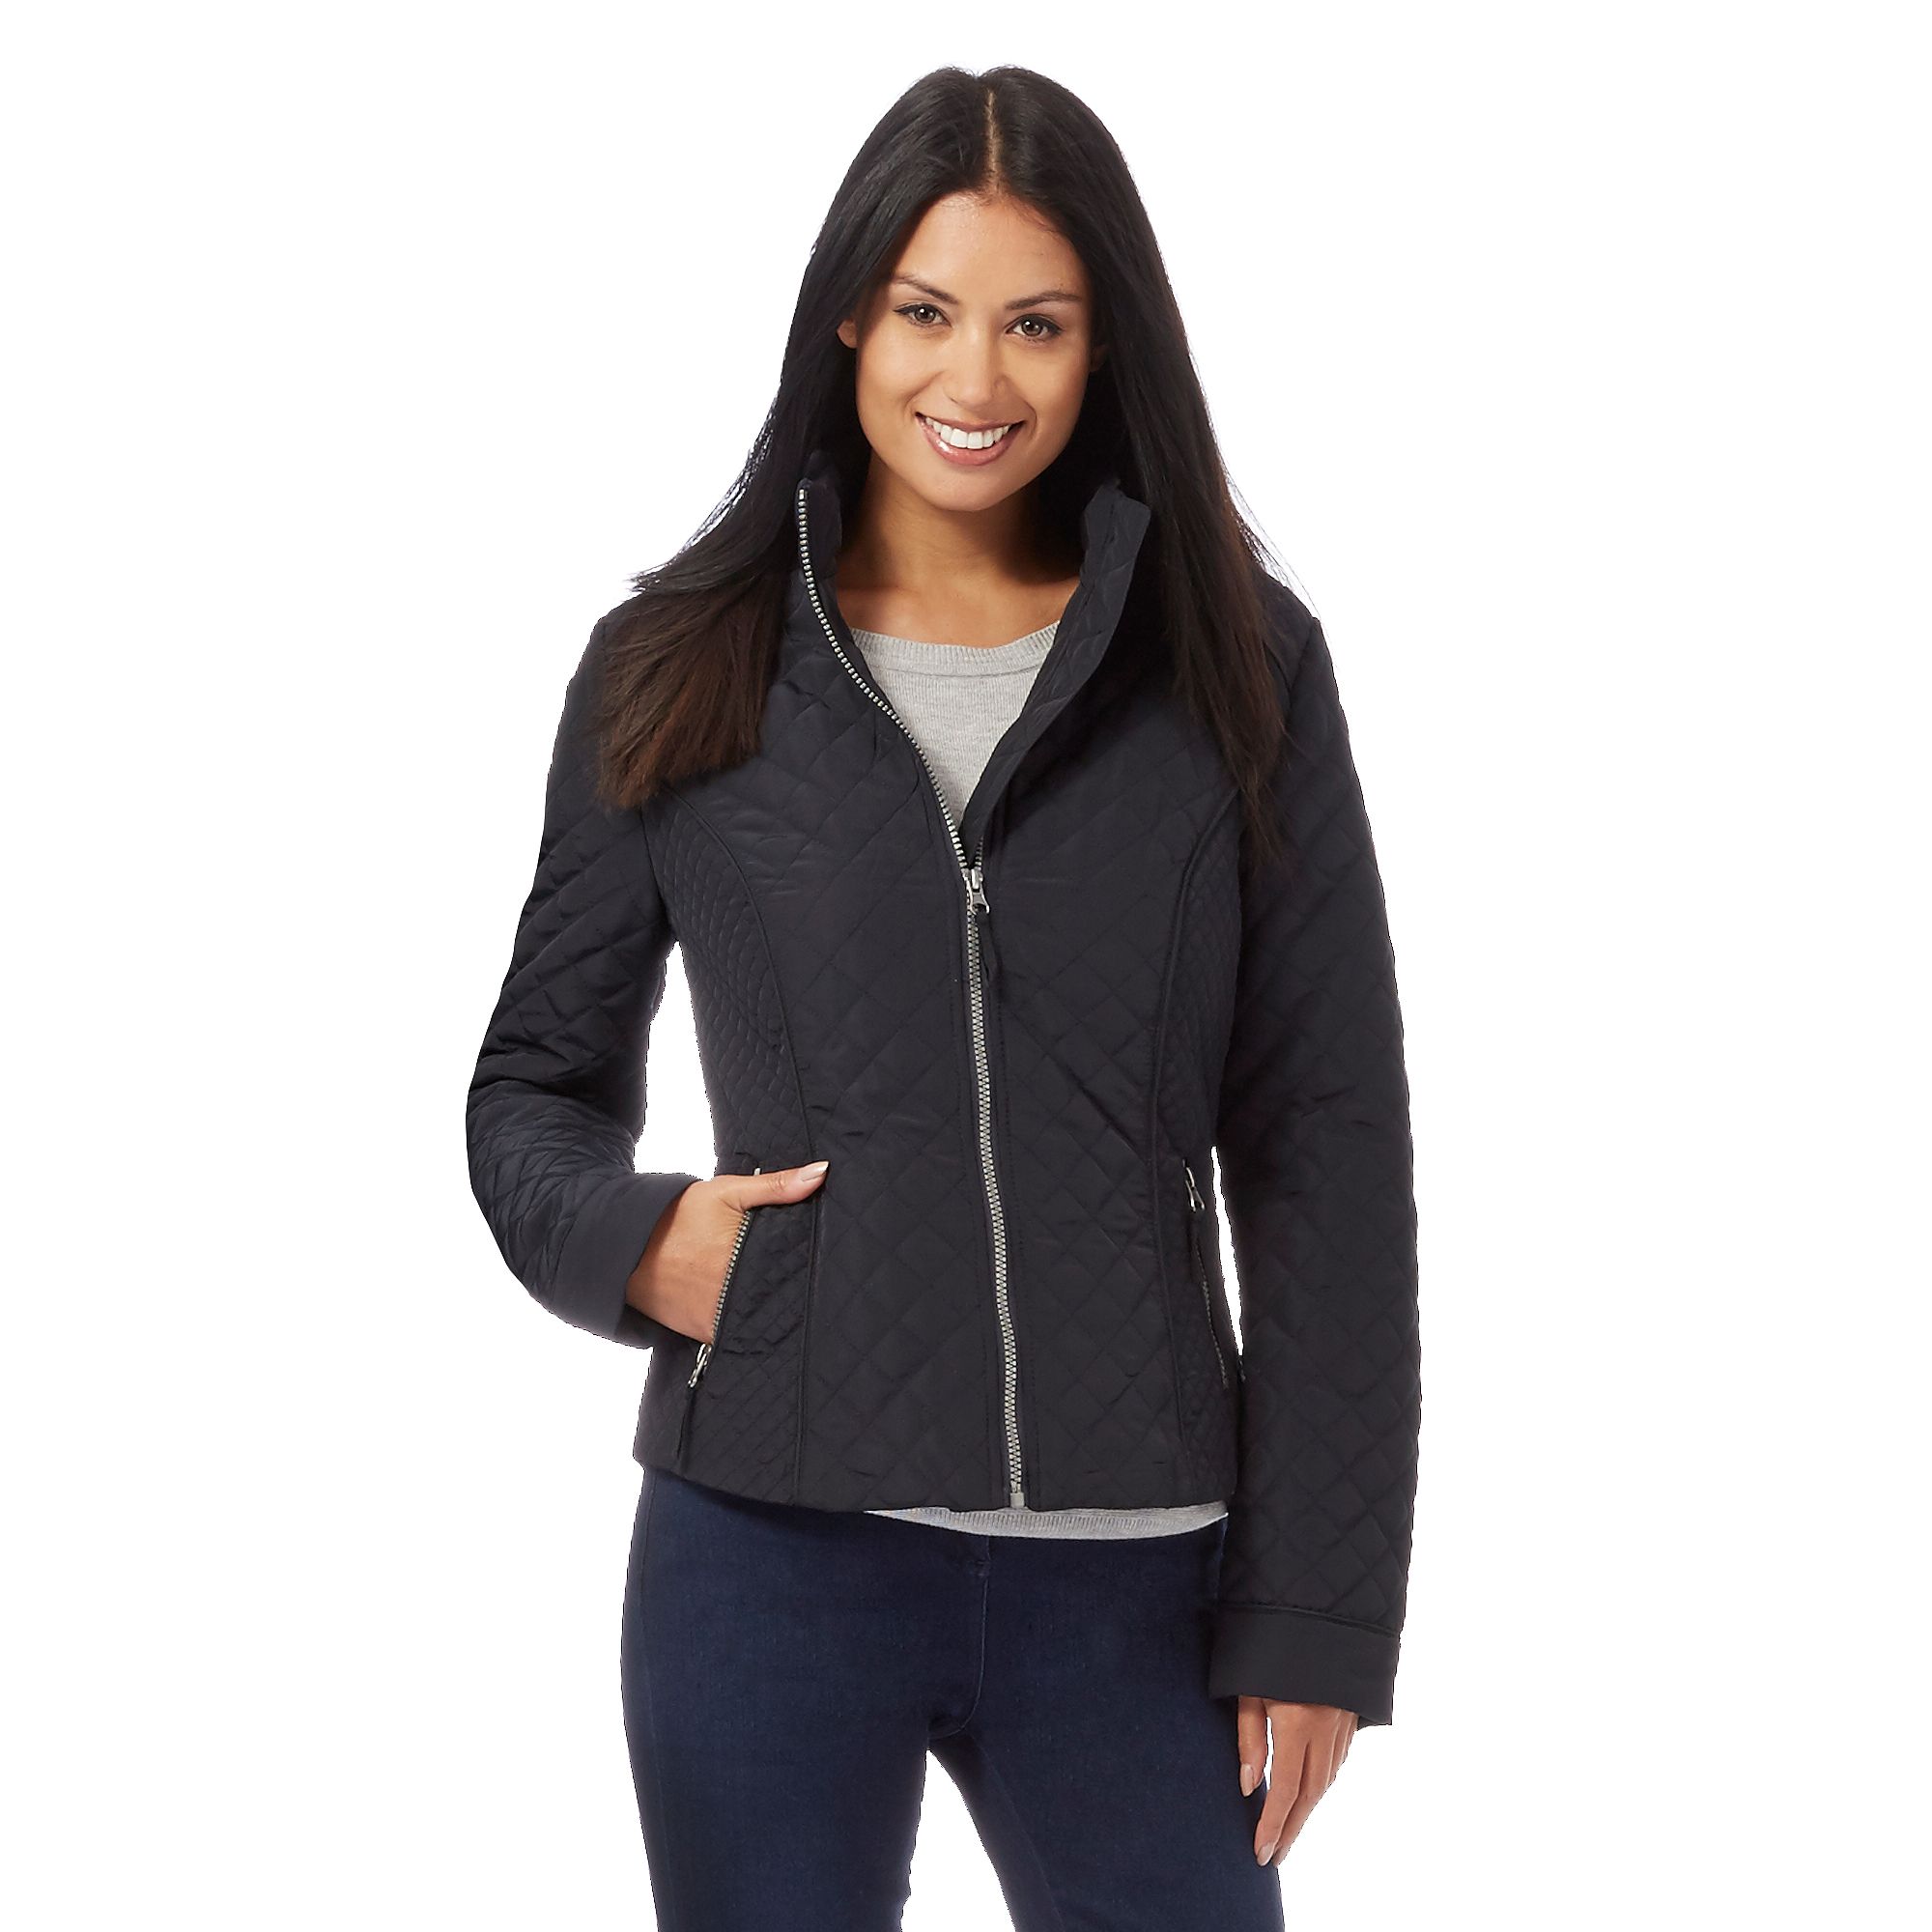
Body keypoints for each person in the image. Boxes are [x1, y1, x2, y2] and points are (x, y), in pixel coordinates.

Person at [466, 62, 1421, 1932]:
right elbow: (529, 1089)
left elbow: (1326, 1146)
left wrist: (1318, 1607)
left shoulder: (1237, 661)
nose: (975, 378)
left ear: (1104, 341)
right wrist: (636, 1240)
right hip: (766, 1560)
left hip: (1142, 1581)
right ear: (849, 317)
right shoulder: (678, 664)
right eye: (925, 311)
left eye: (1035, 324)